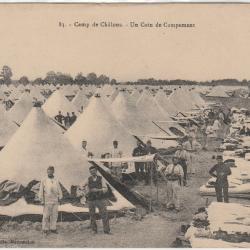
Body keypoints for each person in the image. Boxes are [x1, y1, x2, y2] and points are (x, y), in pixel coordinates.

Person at [84, 166, 111, 234]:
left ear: (96, 171)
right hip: (91, 199)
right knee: (92, 215)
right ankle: (94, 230)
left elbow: (105, 189)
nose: (92, 172)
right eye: (91, 171)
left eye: (94, 171)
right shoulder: (88, 179)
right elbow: (81, 186)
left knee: (104, 214)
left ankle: (106, 230)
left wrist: (98, 190)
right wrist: (86, 192)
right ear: (90, 172)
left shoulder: (101, 178)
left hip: (100, 199)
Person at [39, 166, 63, 235]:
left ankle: (53, 228)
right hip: (47, 200)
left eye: (51, 171)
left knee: (54, 215)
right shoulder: (44, 180)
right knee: (46, 215)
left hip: (55, 200)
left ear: (53, 172)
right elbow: (41, 191)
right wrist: (41, 200)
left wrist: (60, 197)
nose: (49, 173)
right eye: (48, 171)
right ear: (47, 172)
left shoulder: (56, 180)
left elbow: (59, 189)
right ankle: (45, 229)